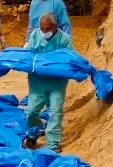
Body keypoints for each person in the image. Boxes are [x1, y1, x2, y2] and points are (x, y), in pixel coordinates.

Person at [23, 13, 72, 152]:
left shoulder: (64, 39)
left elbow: (68, 59)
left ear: (55, 26)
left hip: (57, 82)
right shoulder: (35, 35)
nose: (44, 32)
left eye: (47, 28)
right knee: (32, 111)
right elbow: (29, 55)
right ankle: (34, 132)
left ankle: (53, 144)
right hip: (37, 81)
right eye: (42, 28)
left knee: (55, 111)